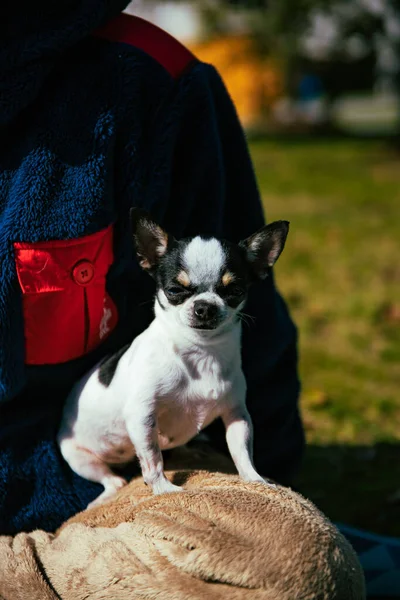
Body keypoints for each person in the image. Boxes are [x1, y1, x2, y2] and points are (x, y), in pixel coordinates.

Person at [0, 0, 304, 535]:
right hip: (82, 467)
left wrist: (275, 488)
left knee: (280, 561)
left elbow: (262, 347)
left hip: (92, 482)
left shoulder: (151, 78)